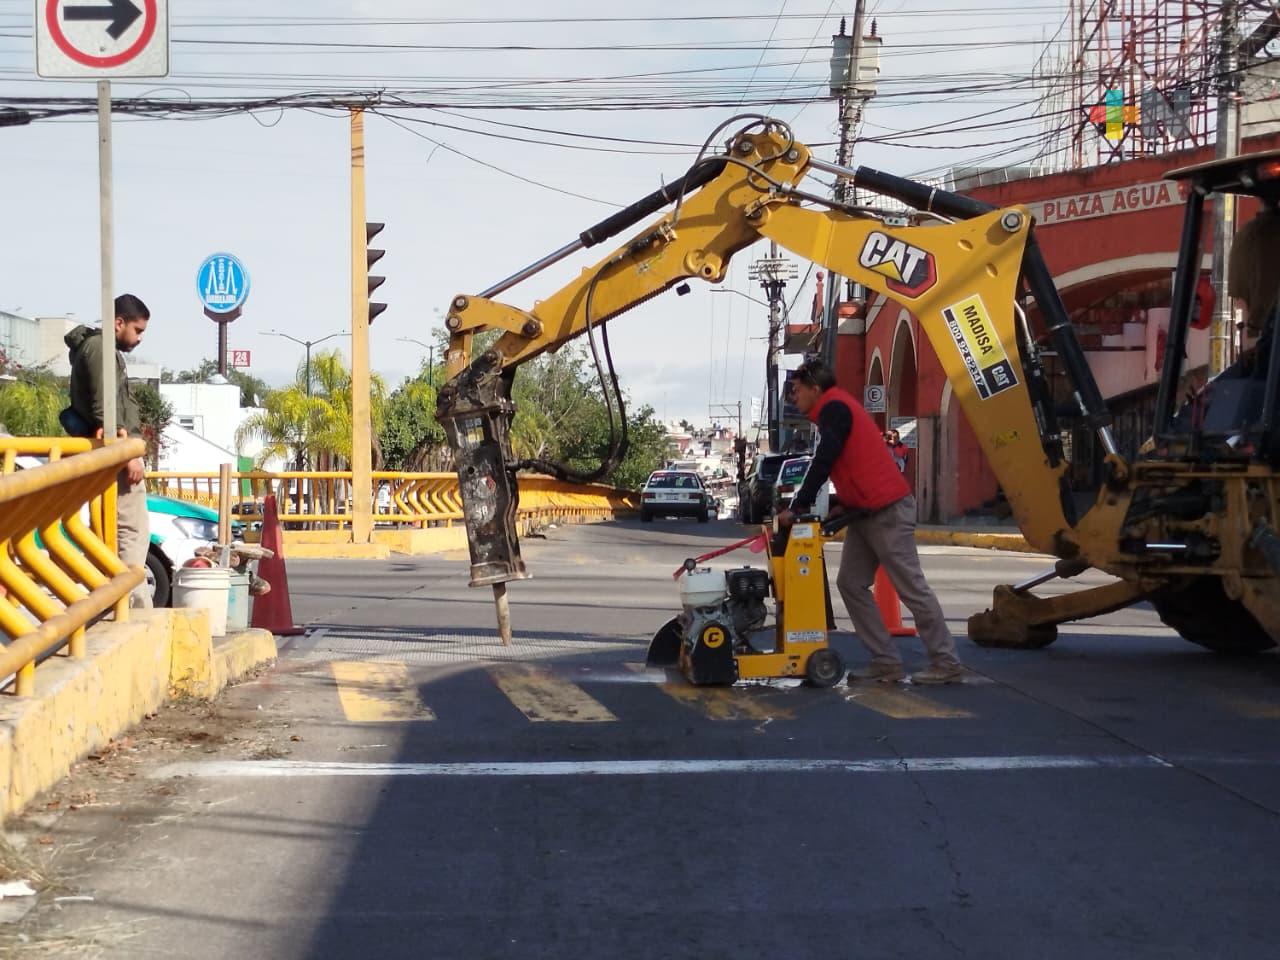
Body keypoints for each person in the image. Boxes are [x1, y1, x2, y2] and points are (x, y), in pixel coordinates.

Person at [776, 359, 964, 684]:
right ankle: (886, 662)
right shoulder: (832, 411)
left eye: (796, 390)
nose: (793, 396)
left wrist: (799, 504)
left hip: (887, 510)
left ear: (814, 389)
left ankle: (945, 663)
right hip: (865, 512)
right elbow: (849, 465)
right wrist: (840, 504)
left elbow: (826, 459)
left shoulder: (835, 408)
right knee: (850, 583)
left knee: (912, 589)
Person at [64, 294, 152, 608]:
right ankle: (130, 608)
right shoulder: (101, 349)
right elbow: (106, 407)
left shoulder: (96, 348)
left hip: (109, 453)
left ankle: (121, 606)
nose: (140, 338)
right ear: (119, 322)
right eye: (137, 330)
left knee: (118, 534)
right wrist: (127, 452)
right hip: (115, 457)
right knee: (129, 533)